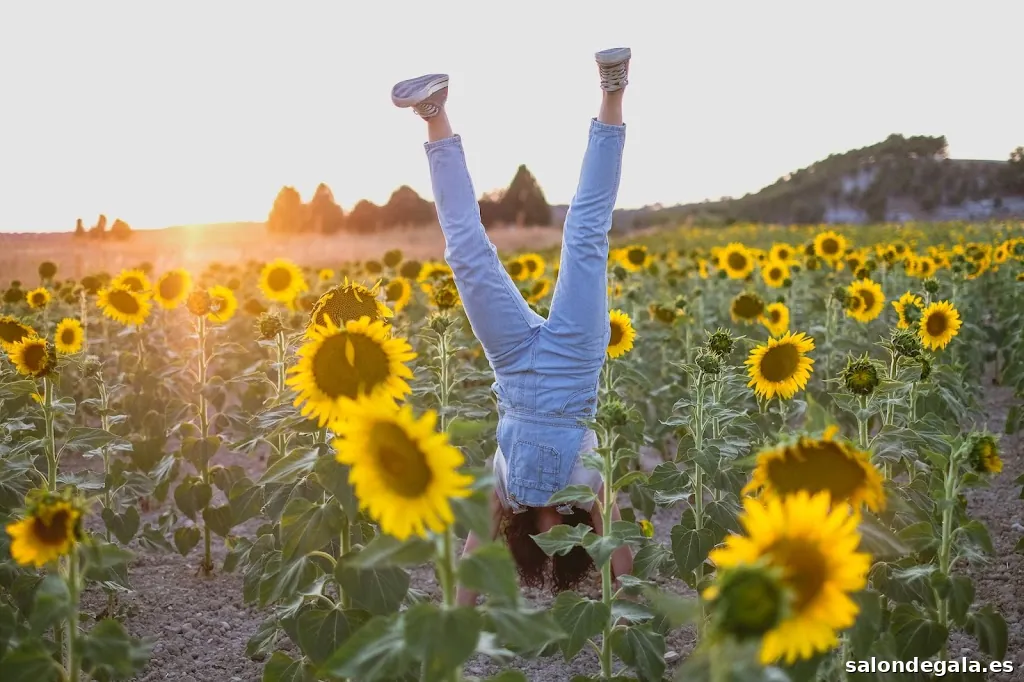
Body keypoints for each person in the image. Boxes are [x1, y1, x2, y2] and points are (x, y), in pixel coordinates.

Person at [391, 48, 634, 605]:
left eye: (539, 545)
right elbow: (622, 563)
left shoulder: (506, 497)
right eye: (560, 544)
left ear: (524, 540)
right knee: (586, 233)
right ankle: (613, 92)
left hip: (513, 363)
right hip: (574, 361)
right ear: (576, 541)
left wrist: (454, 622)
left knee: (465, 254)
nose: (551, 539)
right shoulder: (591, 491)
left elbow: (472, 564)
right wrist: (626, 609)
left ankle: (434, 114)